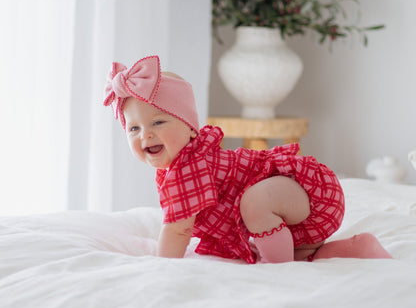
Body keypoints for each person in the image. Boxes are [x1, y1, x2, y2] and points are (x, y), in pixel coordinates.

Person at [104, 55, 392, 264]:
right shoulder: (177, 167)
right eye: (134, 128)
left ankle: (278, 272)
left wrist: (159, 267)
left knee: (254, 203)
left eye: (158, 123)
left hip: (310, 193)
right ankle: (357, 248)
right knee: (300, 251)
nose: (146, 135)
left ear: (190, 127)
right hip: (297, 217)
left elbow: (179, 229)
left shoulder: (189, 166)